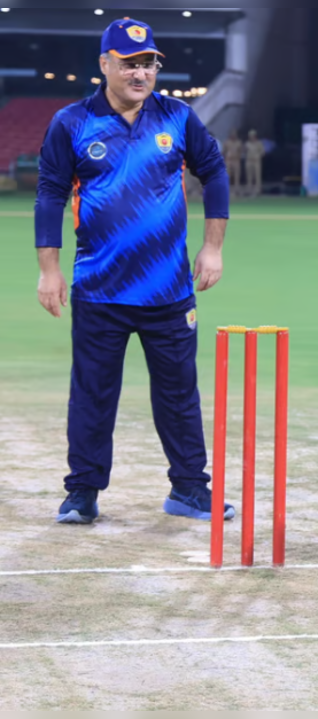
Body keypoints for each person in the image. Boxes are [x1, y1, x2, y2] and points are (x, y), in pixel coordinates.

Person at [35, 17, 233, 525]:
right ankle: (82, 493)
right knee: (92, 397)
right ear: (105, 65)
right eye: (129, 64)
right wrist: (49, 271)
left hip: (169, 291)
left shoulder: (179, 117)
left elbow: (213, 173)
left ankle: (190, 489)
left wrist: (212, 248)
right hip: (100, 290)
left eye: (148, 64)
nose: (140, 73)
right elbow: (50, 195)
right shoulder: (72, 122)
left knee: (179, 395)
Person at [244, 129, 265, 197]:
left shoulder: (259, 143)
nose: (251, 137)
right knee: (249, 176)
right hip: (249, 161)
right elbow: (243, 151)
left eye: (252, 136)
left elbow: (263, 152)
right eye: (250, 136)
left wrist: (258, 155)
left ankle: (257, 190)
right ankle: (249, 190)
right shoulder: (247, 143)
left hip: (256, 161)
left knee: (257, 176)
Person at [223, 129, 244, 196]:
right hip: (228, 160)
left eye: (234, 134)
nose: (233, 136)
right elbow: (224, 152)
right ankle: (227, 191)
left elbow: (241, 151)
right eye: (232, 134)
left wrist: (238, 156)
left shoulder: (239, 142)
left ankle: (236, 191)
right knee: (227, 176)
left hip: (236, 161)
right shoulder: (227, 142)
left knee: (236, 176)